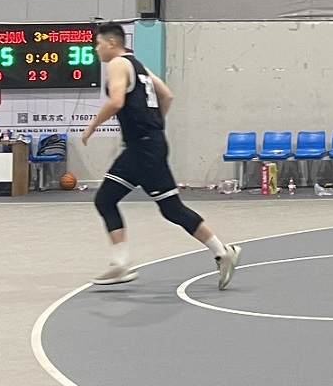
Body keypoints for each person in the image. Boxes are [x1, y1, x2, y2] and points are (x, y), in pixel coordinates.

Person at [80, 22, 240, 290]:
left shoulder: (118, 64)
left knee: (168, 208)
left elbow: (117, 101)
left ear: (111, 42)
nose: (96, 50)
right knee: (110, 200)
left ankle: (222, 251)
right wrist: (154, 125)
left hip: (143, 149)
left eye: (98, 44)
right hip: (145, 146)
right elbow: (167, 95)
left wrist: (92, 126)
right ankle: (120, 262)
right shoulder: (139, 67)